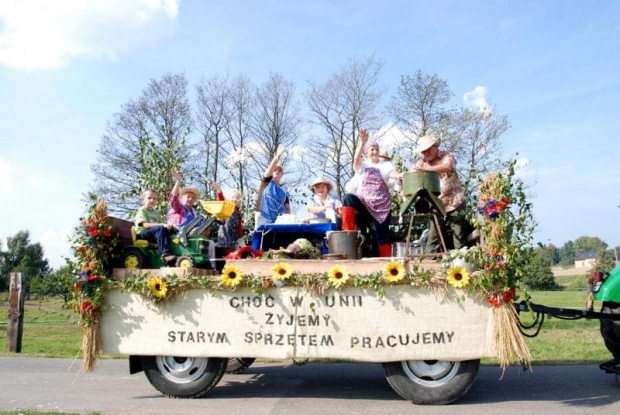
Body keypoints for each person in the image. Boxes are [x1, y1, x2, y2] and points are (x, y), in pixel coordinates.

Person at [342, 128, 402, 257]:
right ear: (366, 152)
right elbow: (356, 160)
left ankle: (386, 263)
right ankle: (348, 234)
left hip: (381, 206)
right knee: (347, 199)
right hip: (364, 204)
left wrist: (399, 176)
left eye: (376, 149)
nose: (375, 151)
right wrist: (362, 142)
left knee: (382, 236)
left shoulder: (385, 164)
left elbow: (392, 173)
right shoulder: (363, 165)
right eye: (372, 149)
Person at [411, 134, 467, 253]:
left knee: (458, 234)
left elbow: (447, 166)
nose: (426, 152)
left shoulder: (447, 155)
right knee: (433, 234)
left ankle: (461, 262)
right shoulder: (421, 163)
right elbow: (412, 174)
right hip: (436, 203)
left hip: (455, 201)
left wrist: (427, 169)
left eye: (428, 149)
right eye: (423, 151)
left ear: (435, 146)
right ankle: (430, 263)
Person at [134, 189, 176, 263]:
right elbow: (145, 225)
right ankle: (165, 255)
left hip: (154, 233)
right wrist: (162, 225)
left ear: (157, 201)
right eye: (149, 198)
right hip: (143, 234)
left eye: (154, 198)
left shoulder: (156, 213)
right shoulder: (142, 210)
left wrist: (170, 227)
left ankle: (176, 251)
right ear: (143, 200)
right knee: (159, 228)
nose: (152, 200)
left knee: (171, 230)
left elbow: (162, 228)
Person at [255, 145, 291, 228]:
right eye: (275, 170)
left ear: (282, 174)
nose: (277, 171)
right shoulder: (266, 182)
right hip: (263, 217)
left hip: (278, 221)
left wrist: (289, 220)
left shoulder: (284, 191)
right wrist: (277, 157)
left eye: (280, 170)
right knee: (262, 239)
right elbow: (269, 169)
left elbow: (287, 208)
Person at [213, 182, 245, 263]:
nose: (234, 199)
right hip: (225, 233)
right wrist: (218, 190)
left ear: (239, 201)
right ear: (229, 198)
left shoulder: (238, 213)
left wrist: (240, 236)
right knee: (227, 248)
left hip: (233, 235)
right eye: (233, 197)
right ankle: (229, 263)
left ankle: (231, 262)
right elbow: (221, 199)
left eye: (236, 198)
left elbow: (239, 226)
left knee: (235, 250)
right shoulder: (226, 207)